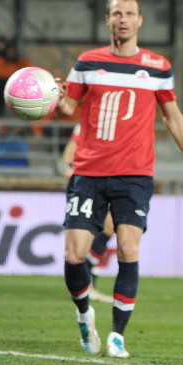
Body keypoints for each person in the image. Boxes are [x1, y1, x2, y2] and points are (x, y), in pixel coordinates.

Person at [54, 0, 183, 359]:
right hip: (89, 172)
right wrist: (56, 98)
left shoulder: (158, 66)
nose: (123, 19)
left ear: (140, 21)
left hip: (135, 175)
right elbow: (68, 111)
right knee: (75, 256)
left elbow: (173, 117)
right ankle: (84, 313)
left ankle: (118, 336)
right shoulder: (88, 63)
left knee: (128, 248)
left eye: (129, 13)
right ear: (107, 20)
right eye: (116, 13)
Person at [62, 124, 114, 304]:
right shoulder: (88, 121)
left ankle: (88, 280)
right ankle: (87, 282)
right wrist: (69, 167)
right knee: (92, 231)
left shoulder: (117, 121)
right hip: (86, 183)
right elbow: (71, 149)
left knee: (109, 226)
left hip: (107, 179)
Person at [0, 40, 32, 117]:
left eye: (12, 52)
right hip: (1, 87)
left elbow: (29, 71)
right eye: (9, 52)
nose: (11, 54)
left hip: (16, 86)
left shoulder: (21, 61)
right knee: (2, 84)